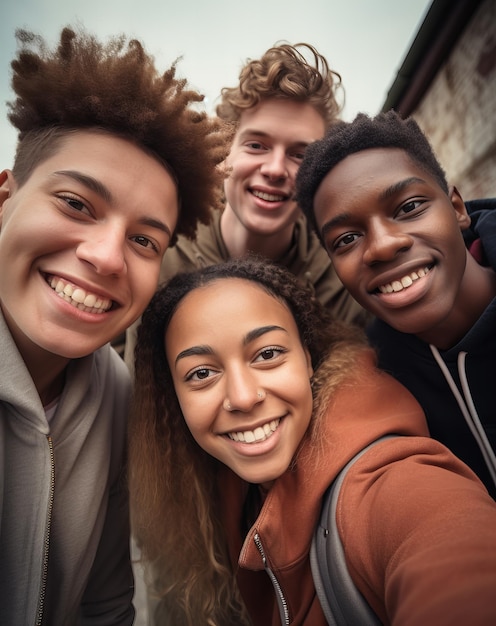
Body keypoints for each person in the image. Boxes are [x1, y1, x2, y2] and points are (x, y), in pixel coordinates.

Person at [0, 25, 228, 624]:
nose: (106, 256)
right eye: (76, 203)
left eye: (144, 239)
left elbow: (106, 603)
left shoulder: (118, 394)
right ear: (5, 196)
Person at [129, 256, 496, 626]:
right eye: (202, 373)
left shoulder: (387, 482)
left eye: (268, 354)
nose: (242, 397)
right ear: (174, 397)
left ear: (307, 358)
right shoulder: (216, 490)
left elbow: (450, 546)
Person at [124, 42, 369, 368]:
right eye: (257, 145)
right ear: (224, 152)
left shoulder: (344, 278)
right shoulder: (157, 247)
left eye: (300, 154)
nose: (275, 169)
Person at [296, 110, 496, 499]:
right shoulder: (377, 376)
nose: (383, 246)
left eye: (408, 208)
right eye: (346, 239)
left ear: (457, 208)